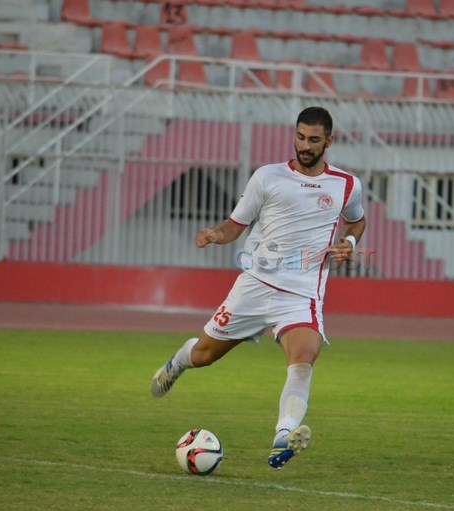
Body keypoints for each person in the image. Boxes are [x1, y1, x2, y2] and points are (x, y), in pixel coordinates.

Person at [150, 106, 366, 469]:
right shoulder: (267, 177)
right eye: (300, 137)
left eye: (314, 140)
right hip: (255, 285)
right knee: (204, 355)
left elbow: (357, 221)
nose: (305, 146)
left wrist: (350, 242)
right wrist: (214, 234)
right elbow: (235, 225)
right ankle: (178, 362)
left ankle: (284, 437)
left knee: (304, 357)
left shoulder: (347, 184)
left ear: (329, 141)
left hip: (301, 293)